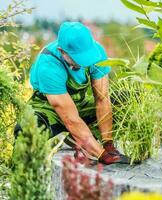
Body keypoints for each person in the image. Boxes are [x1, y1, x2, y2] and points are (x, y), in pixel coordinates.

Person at [14, 22, 129, 165]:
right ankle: (21, 178)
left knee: (126, 100)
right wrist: (102, 155)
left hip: (78, 106)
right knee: (25, 131)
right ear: (62, 51)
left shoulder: (97, 53)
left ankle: (82, 138)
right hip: (48, 110)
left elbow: (102, 98)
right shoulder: (48, 63)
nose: (84, 63)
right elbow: (70, 119)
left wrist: (108, 144)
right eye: (78, 59)